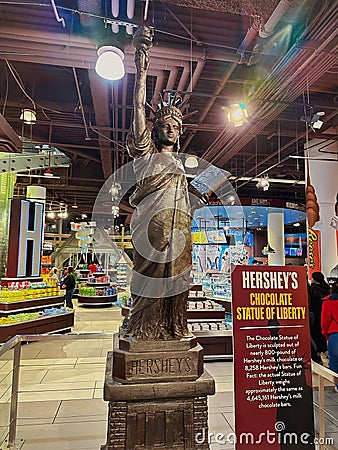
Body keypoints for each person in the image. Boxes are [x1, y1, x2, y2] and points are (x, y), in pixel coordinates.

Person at [124, 26, 206, 340]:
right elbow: (136, 109)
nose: (172, 130)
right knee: (149, 277)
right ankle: (144, 329)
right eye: (167, 125)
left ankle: (176, 326)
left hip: (180, 227)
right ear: (156, 129)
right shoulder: (146, 152)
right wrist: (141, 67)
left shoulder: (180, 164)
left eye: (177, 126)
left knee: (180, 277)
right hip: (152, 227)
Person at [308, 271, 331, 362]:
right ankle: (324, 350)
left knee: (314, 333)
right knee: (321, 333)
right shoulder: (327, 288)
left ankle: (317, 353)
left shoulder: (313, 289)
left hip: (314, 312)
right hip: (324, 312)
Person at [321, 279, 338, 392]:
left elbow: (324, 322)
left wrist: (326, 335)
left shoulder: (328, 303)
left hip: (335, 334)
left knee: (335, 363)